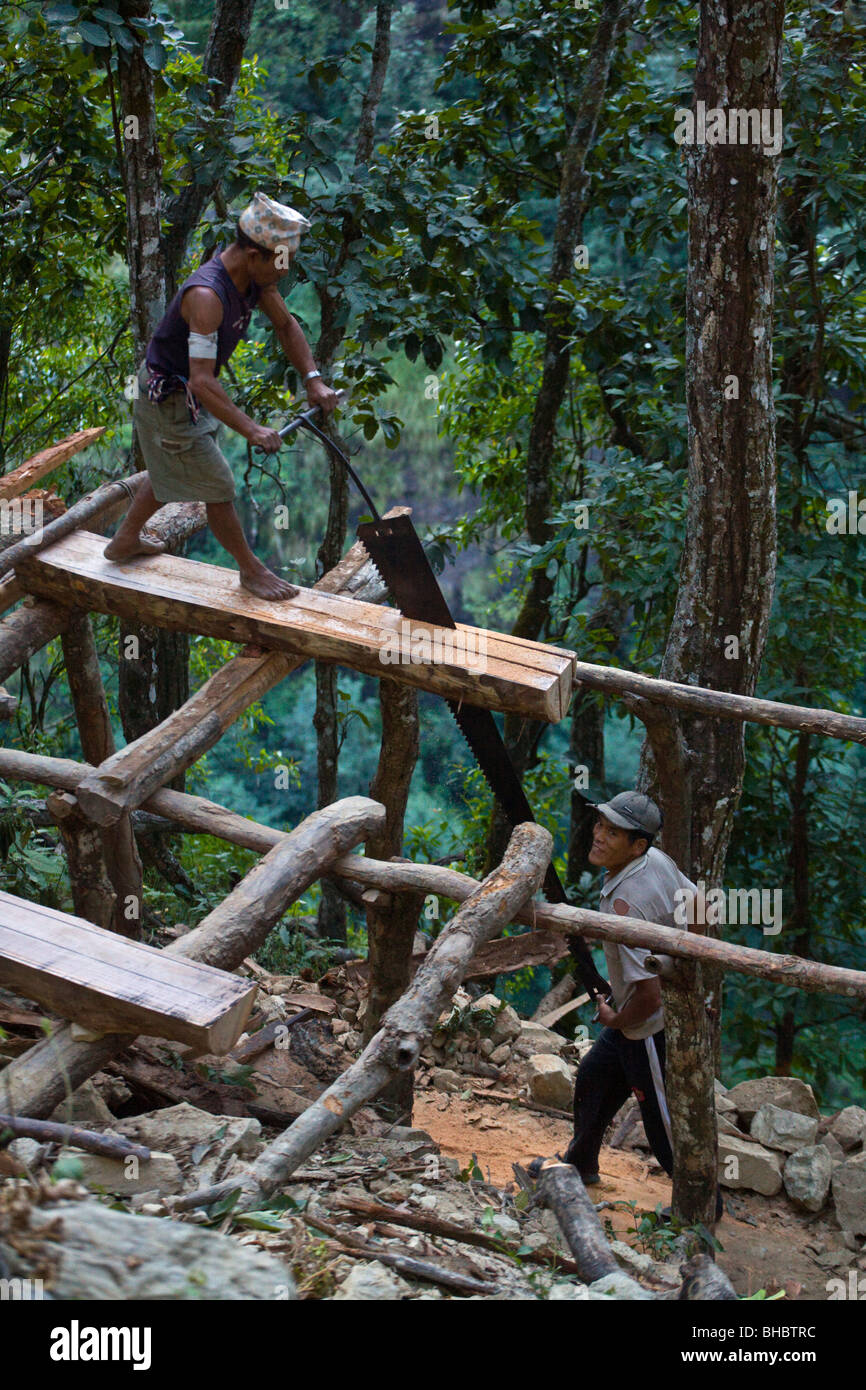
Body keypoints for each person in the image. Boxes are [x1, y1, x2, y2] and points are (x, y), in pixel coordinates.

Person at [105, 191, 338, 600]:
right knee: (218, 485)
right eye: (280, 261)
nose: (285, 270)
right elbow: (201, 381)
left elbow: (286, 326)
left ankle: (124, 540)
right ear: (254, 254)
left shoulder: (254, 280)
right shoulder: (207, 296)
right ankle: (251, 570)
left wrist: (313, 379)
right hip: (169, 398)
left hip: (190, 394)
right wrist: (253, 429)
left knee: (174, 467)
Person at [562, 791, 697, 1194]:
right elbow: (701, 903)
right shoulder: (655, 859)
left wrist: (616, 1018)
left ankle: (699, 1206)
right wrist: (685, 963)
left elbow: (650, 998)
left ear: (637, 845)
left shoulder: (627, 901)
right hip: (636, 1013)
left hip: (649, 1025)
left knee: (660, 1120)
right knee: (593, 1076)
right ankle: (578, 1166)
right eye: (600, 825)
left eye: (613, 833)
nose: (598, 835)